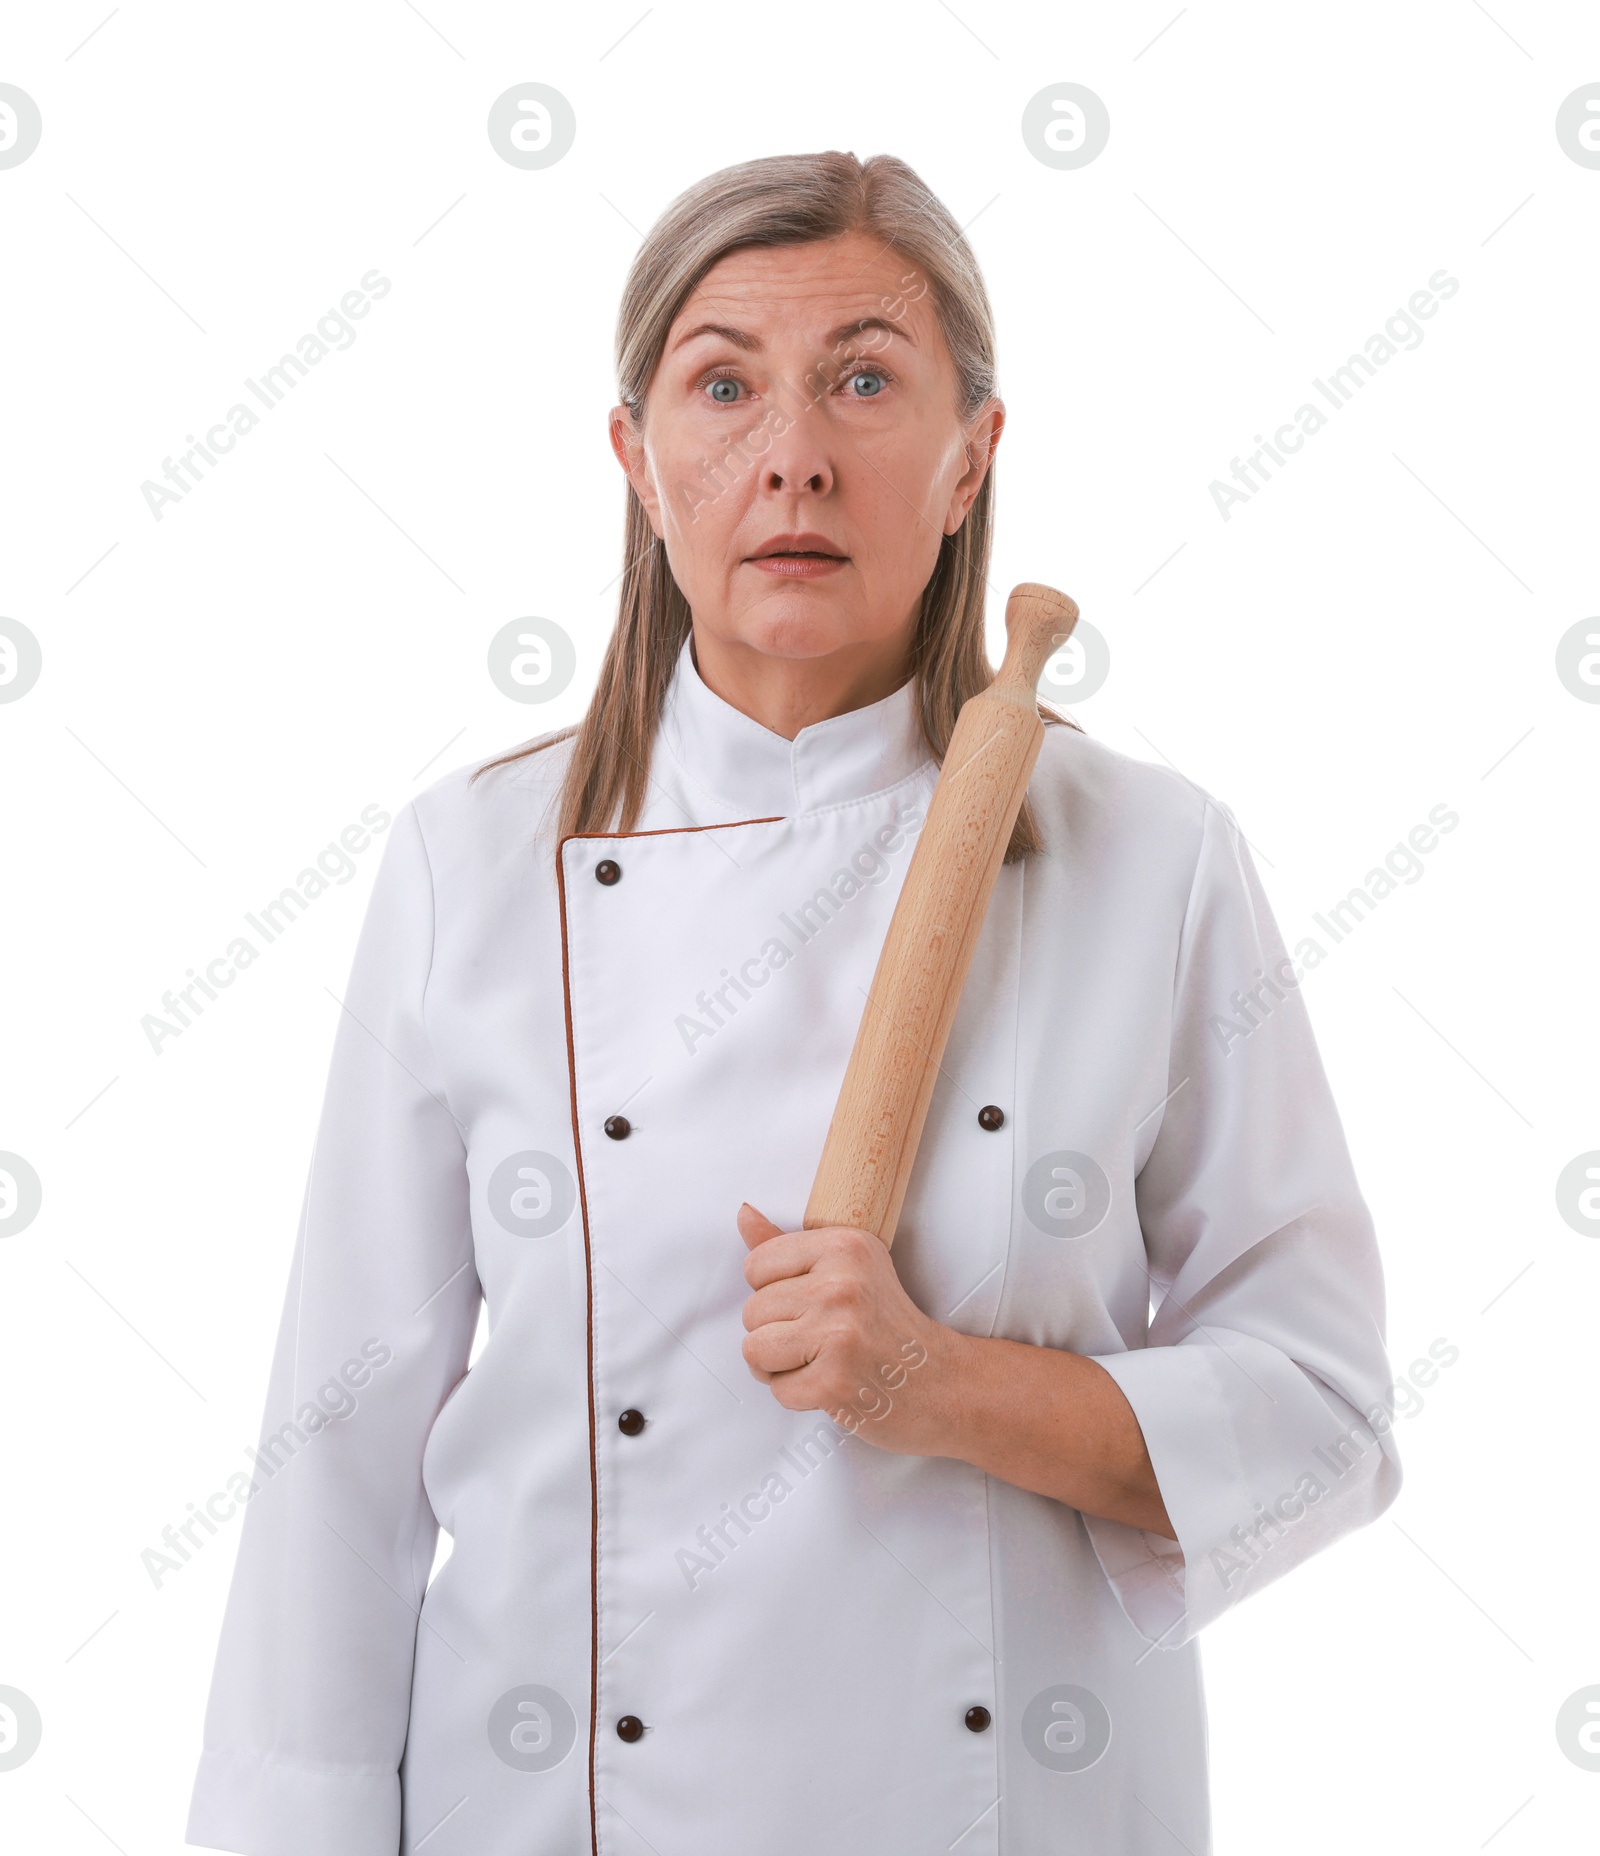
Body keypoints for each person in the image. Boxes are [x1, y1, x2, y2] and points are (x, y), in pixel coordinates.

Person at [186, 149, 1402, 1856]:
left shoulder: (1150, 859)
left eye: (864, 381)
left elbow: (1324, 1419)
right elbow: (339, 1456)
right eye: (724, 385)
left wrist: (938, 1386)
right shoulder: (476, 864)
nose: (793, 457)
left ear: (973, 454)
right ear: (638, 462)